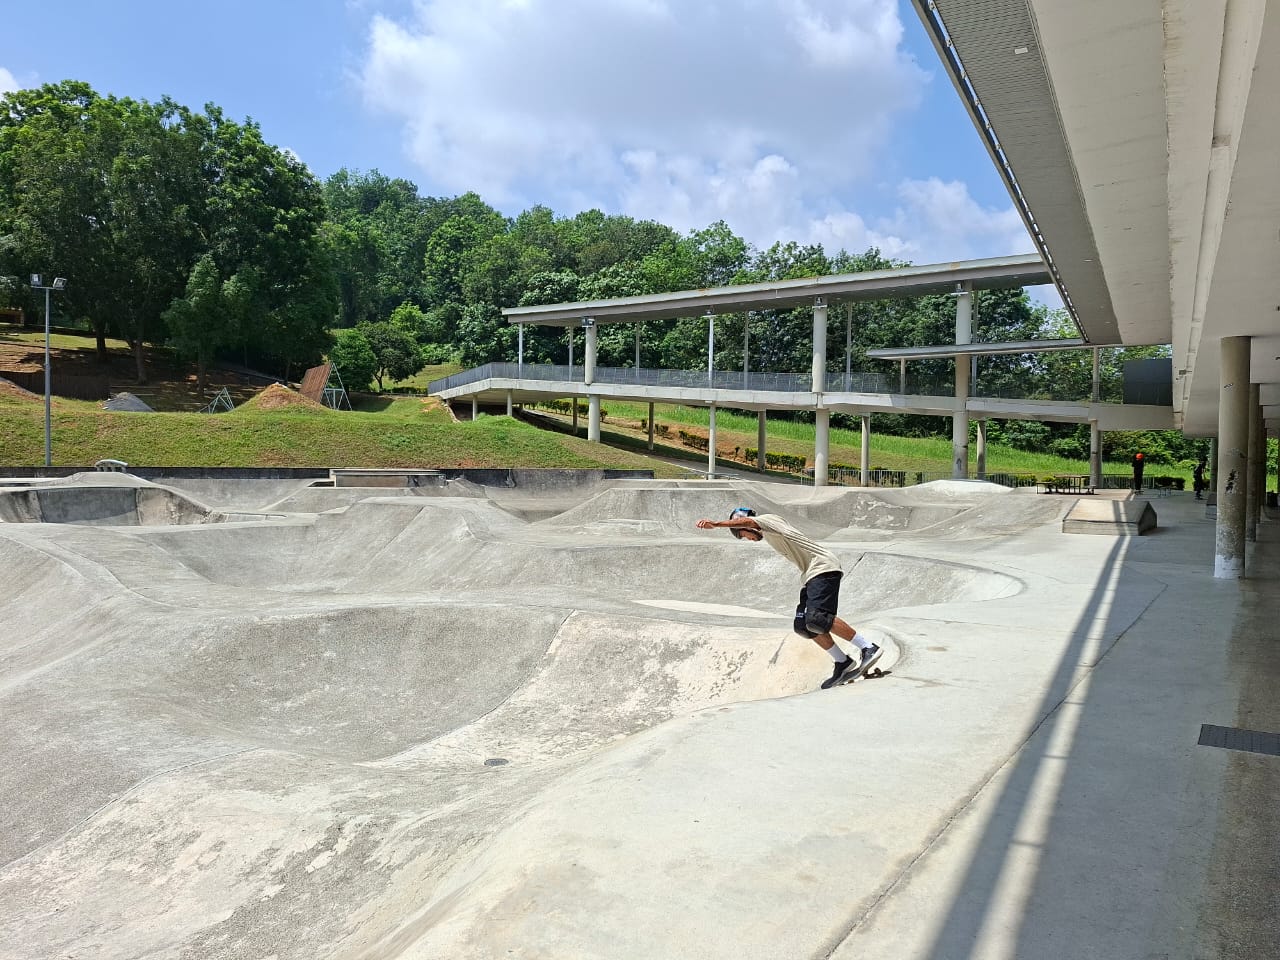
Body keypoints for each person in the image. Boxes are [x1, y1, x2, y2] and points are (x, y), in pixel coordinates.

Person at [695, 507, 881, 688]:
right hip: (810, 574)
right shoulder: (769, 532)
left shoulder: (768, 520)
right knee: (803, 626)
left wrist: (717, 524)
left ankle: (867, 647)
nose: (749, 539)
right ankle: (843, 662)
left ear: (745, 526)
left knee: (819, 618)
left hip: (823, 567)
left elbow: (749, 521)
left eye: (744, 535)